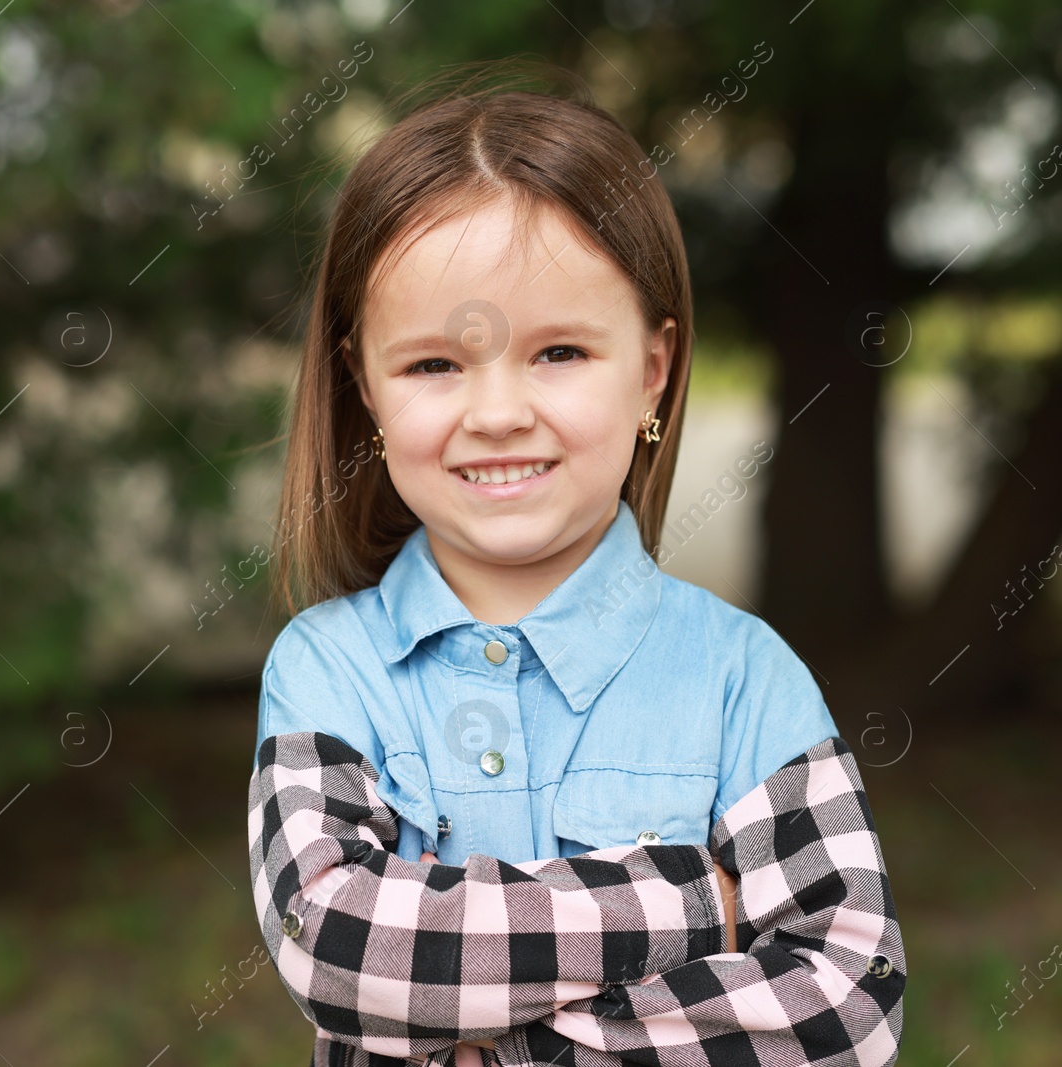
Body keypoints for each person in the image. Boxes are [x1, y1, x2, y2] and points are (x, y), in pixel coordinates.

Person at [246, 75, 905, 1067]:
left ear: (651, 367)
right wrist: (698, 903)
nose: (499, 410)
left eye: (558, 350)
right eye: (434, 365)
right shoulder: (327, 671)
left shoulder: (742, 677)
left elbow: (844, 1007)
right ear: (365, 386)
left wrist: (517, 1045)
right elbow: (337, 945)